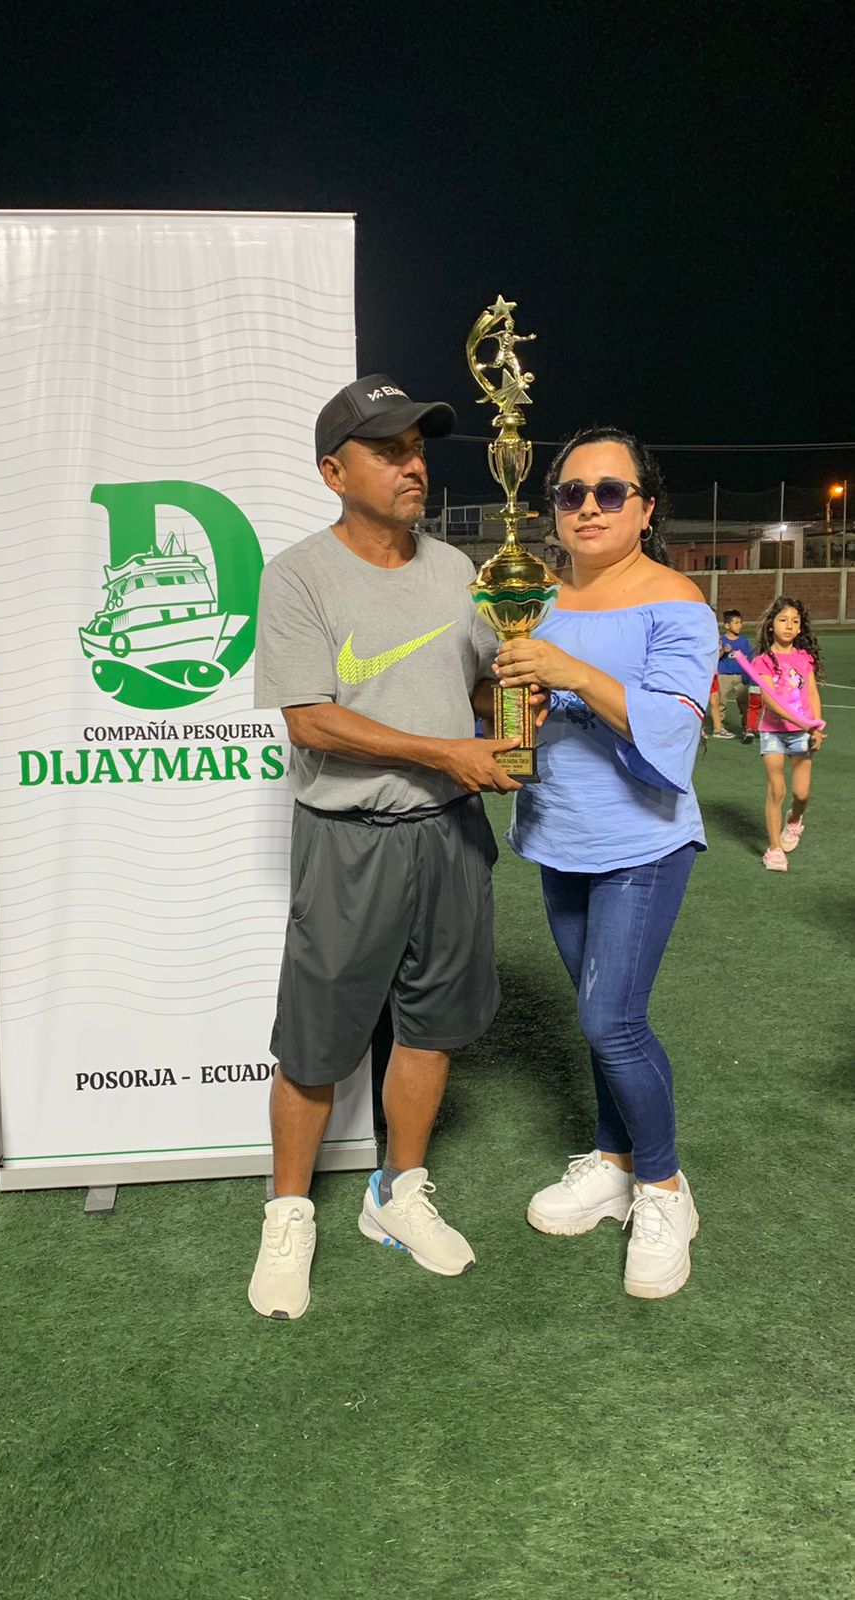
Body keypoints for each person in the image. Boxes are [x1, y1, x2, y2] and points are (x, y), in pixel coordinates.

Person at [248, 372, 528, 1321]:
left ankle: (396, 1191)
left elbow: (478, 689)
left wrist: (515, 700)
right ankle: (288, 1213)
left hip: (451, 831)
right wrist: (447, 750)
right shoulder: (297, 575)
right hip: (348, 836)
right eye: (388, 451)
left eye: (417, 449)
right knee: (315, 1042)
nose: (414, 466)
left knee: (432, 1025)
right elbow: (311, 721)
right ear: (334, 472)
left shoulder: (458, 571)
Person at [495, 426, 718, 1300]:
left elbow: (674, 733)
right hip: (560, 835)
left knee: (610, 1021)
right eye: (570, 493)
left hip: (643, 843)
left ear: (645, 508)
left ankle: (663, 1189)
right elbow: (520, 706)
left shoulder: (678, 603)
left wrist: (572, 671)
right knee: (601, 1020)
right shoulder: (536, 599)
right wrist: (514, 702)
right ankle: (614, 1161)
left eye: (610, 492)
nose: (588, 507)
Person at [751, 596, 824, 872]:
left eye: (795, 621)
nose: (789, 625)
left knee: (801, 793)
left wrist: (816, 725)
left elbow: (812, 693)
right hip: (773, 732)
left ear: (801, 627)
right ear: (771, 625)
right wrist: (804, 723)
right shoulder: (763, 661)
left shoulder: (804, 658)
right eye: (783, 620)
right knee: (777, 789)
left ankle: (794, 820)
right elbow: (772, 702)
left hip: (801, 734)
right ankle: (774, 849)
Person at [716, 609, 753, 739]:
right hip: (724, 676)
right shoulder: (721, 640)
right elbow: (715, 657)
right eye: (736, 623)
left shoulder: (743, 641)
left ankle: (747, 727)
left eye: (740, 622)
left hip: (740, 676)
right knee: (721, 702)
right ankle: (719, 726)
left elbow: (749, 658)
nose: (740, 625)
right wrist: (723, 651)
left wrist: (749, 674)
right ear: (727, 625)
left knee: (744, 703)